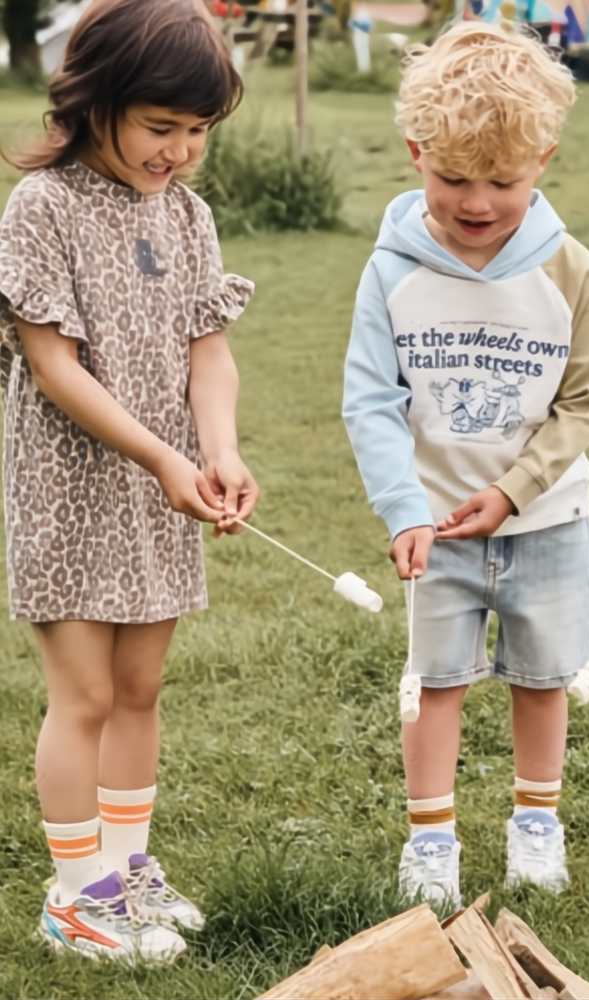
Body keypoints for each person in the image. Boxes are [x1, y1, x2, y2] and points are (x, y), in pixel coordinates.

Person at [0, 0, 258, 963]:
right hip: (71, 490)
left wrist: (218, 449)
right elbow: (55, 365)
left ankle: (126, 867)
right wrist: (161, 456)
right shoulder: (43, 209)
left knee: (141, 687)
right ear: (92, 102)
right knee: (86, 695)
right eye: (161, 127)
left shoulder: (187, 216)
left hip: (165, 489)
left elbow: (211, 355)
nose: (180, 151)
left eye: (197, 131)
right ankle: (75, 896)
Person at [343, 21, 589, 905]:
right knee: (434, 683)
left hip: (547, 521)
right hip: (436, 530)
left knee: (543, 680)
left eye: (502, 178)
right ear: (416, 151)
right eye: (453, 177)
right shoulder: (390, 273)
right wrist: (403, 510)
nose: (477, 200)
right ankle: (431, 841)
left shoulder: (572, 271)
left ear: (545, 158)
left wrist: (515, 489)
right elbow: (371, 400)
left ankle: (536, 824)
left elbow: (586, 402)